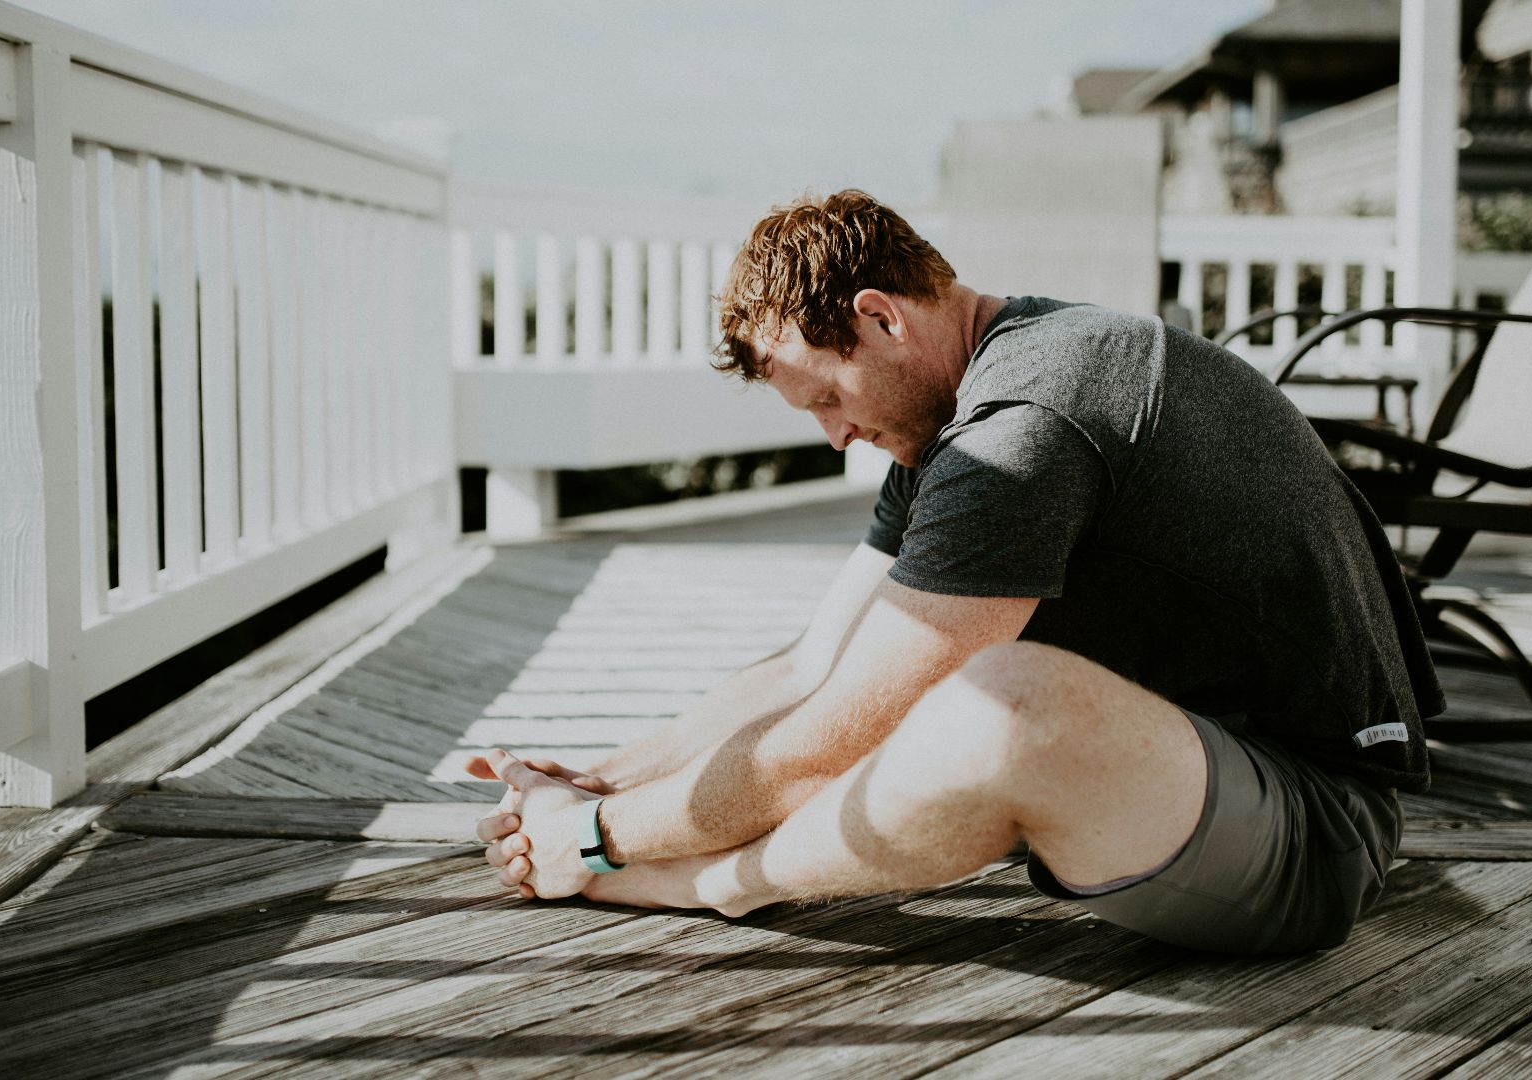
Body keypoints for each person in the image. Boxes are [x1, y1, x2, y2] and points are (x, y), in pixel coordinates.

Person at [470, 189, 1441, 954]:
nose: (835, 434)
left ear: (880, 318)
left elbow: (834, 736)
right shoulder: (958, 412)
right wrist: (598, 780)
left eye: (828, 398)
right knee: (916, 687)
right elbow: (813, 666)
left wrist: (601, 840)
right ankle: (675, 862)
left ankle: (714, 886)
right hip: (1177, 774)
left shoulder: (1023, 427)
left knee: (1000, 705)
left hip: (1313, 827)